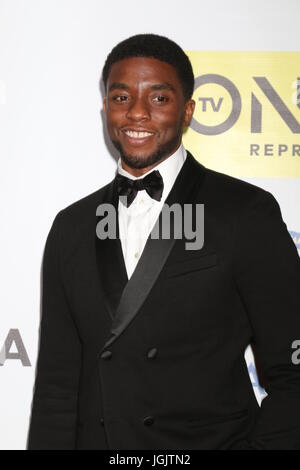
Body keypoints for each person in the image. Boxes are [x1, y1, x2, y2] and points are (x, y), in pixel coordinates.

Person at [27, 34, 300, 450]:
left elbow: (292, 376)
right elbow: (57, 389)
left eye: (158, 99)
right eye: (121, 98)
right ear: (105, 108)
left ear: (188, 111)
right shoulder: (72, 227)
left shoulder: (245, 213)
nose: (137, 113)